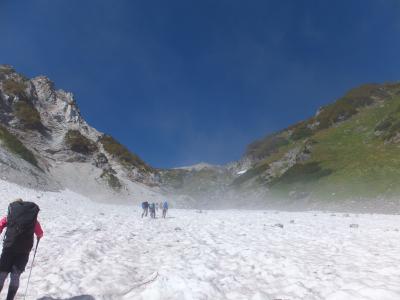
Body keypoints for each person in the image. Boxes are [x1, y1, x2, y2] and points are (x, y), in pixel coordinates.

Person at [0, 199, 43, 300]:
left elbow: (0, 225)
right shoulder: (33, 221)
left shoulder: (10, 216)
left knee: (2, 274)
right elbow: (40, 233)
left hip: (8, 249)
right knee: (15, 276)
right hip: (23, 252)